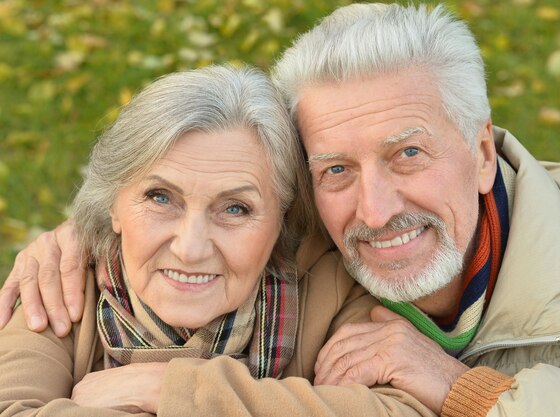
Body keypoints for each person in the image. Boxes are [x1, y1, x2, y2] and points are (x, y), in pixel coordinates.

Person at [2, 3, 560, 416]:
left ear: (481, 149)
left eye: (408, 152)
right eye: (336, 169)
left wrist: (462, 391)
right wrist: (92, 229)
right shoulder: (71, 287)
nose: (376, 212)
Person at [0, 64, 427, 416]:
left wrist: (175, 389)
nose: (191, 248)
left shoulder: (329, 287)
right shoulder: (60, 291)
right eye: (160, 197)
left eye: (235, 208)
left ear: (282, 218)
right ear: (113, 204)